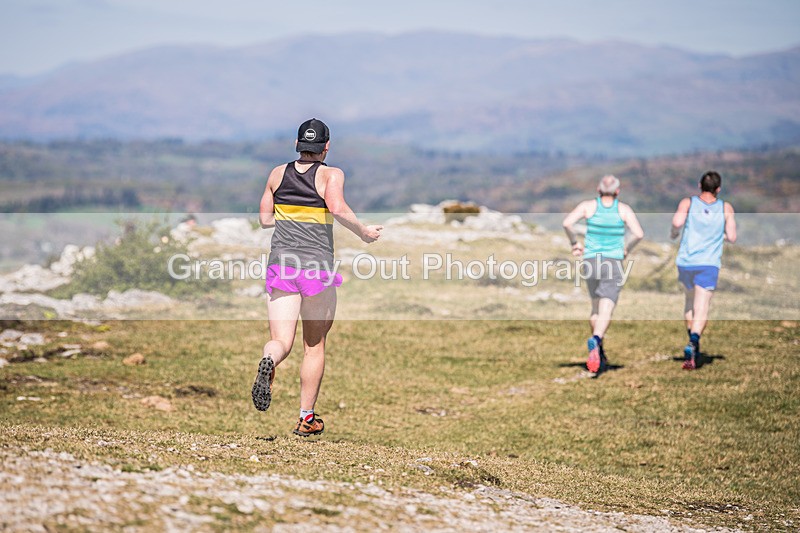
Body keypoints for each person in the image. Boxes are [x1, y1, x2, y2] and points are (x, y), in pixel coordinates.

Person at [252, 118, 383, 436]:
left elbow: (265, 220)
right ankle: (306, 418)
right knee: (314, 346)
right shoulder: (331, 174)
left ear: (298, 145)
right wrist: (364, 231)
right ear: (326, 146)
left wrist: (291, 215)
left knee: (282, 340)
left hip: (281, 264)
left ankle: (269, 358)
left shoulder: (276, 173)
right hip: (316, 268)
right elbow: (336, 207)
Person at [563, 175, 644, 374]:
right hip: (612, 261)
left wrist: (575, 243)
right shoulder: (623, 209)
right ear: (617, 191)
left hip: (591, 260)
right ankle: (597, 340)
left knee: (595, 307)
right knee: (607, 307)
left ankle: (599, 351)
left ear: (598, 190)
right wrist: (626, 249)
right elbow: (639, 234)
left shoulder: (588, 206)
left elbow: (567, 223)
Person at [670, 171, 737, 369]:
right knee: (702, 306)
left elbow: (677, 223)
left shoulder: (688, 203)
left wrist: (674, 233)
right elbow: (732, 236)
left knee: (689, 302)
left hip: (686, 261)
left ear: (700, 185)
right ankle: (694, 340)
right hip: (708, 262)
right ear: (718, 189)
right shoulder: (725, 208)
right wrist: (720, 236)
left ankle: (692, 341)